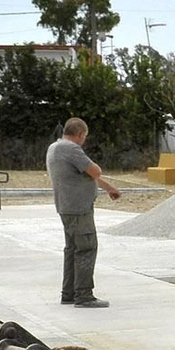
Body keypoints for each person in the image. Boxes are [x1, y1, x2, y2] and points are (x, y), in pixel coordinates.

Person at [45, 117, 120, 308]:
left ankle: (68, 293)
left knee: (72, 250)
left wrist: (109, 187)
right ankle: (84, 295)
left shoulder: (55, 147)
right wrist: (101, 177)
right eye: (84, 137)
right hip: (79, 209)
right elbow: (95, 171)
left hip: (66, 207)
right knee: (87, 248)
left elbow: (87, 175)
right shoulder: (71, 148)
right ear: (80, 134)